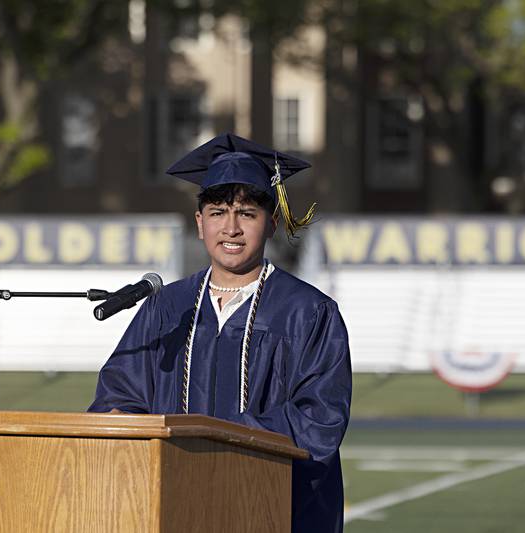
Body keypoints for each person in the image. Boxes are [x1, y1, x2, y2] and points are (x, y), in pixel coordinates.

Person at [88, 133, 352, 532]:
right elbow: (119, 395)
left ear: (272, 223)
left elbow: (320, 421)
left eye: (247, 213)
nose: (230, 228)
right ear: (199, 222)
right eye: (217, 213)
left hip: (272, 510)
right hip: (174, 506)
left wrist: (215, 440)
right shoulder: (166, 308)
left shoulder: (308, 313)